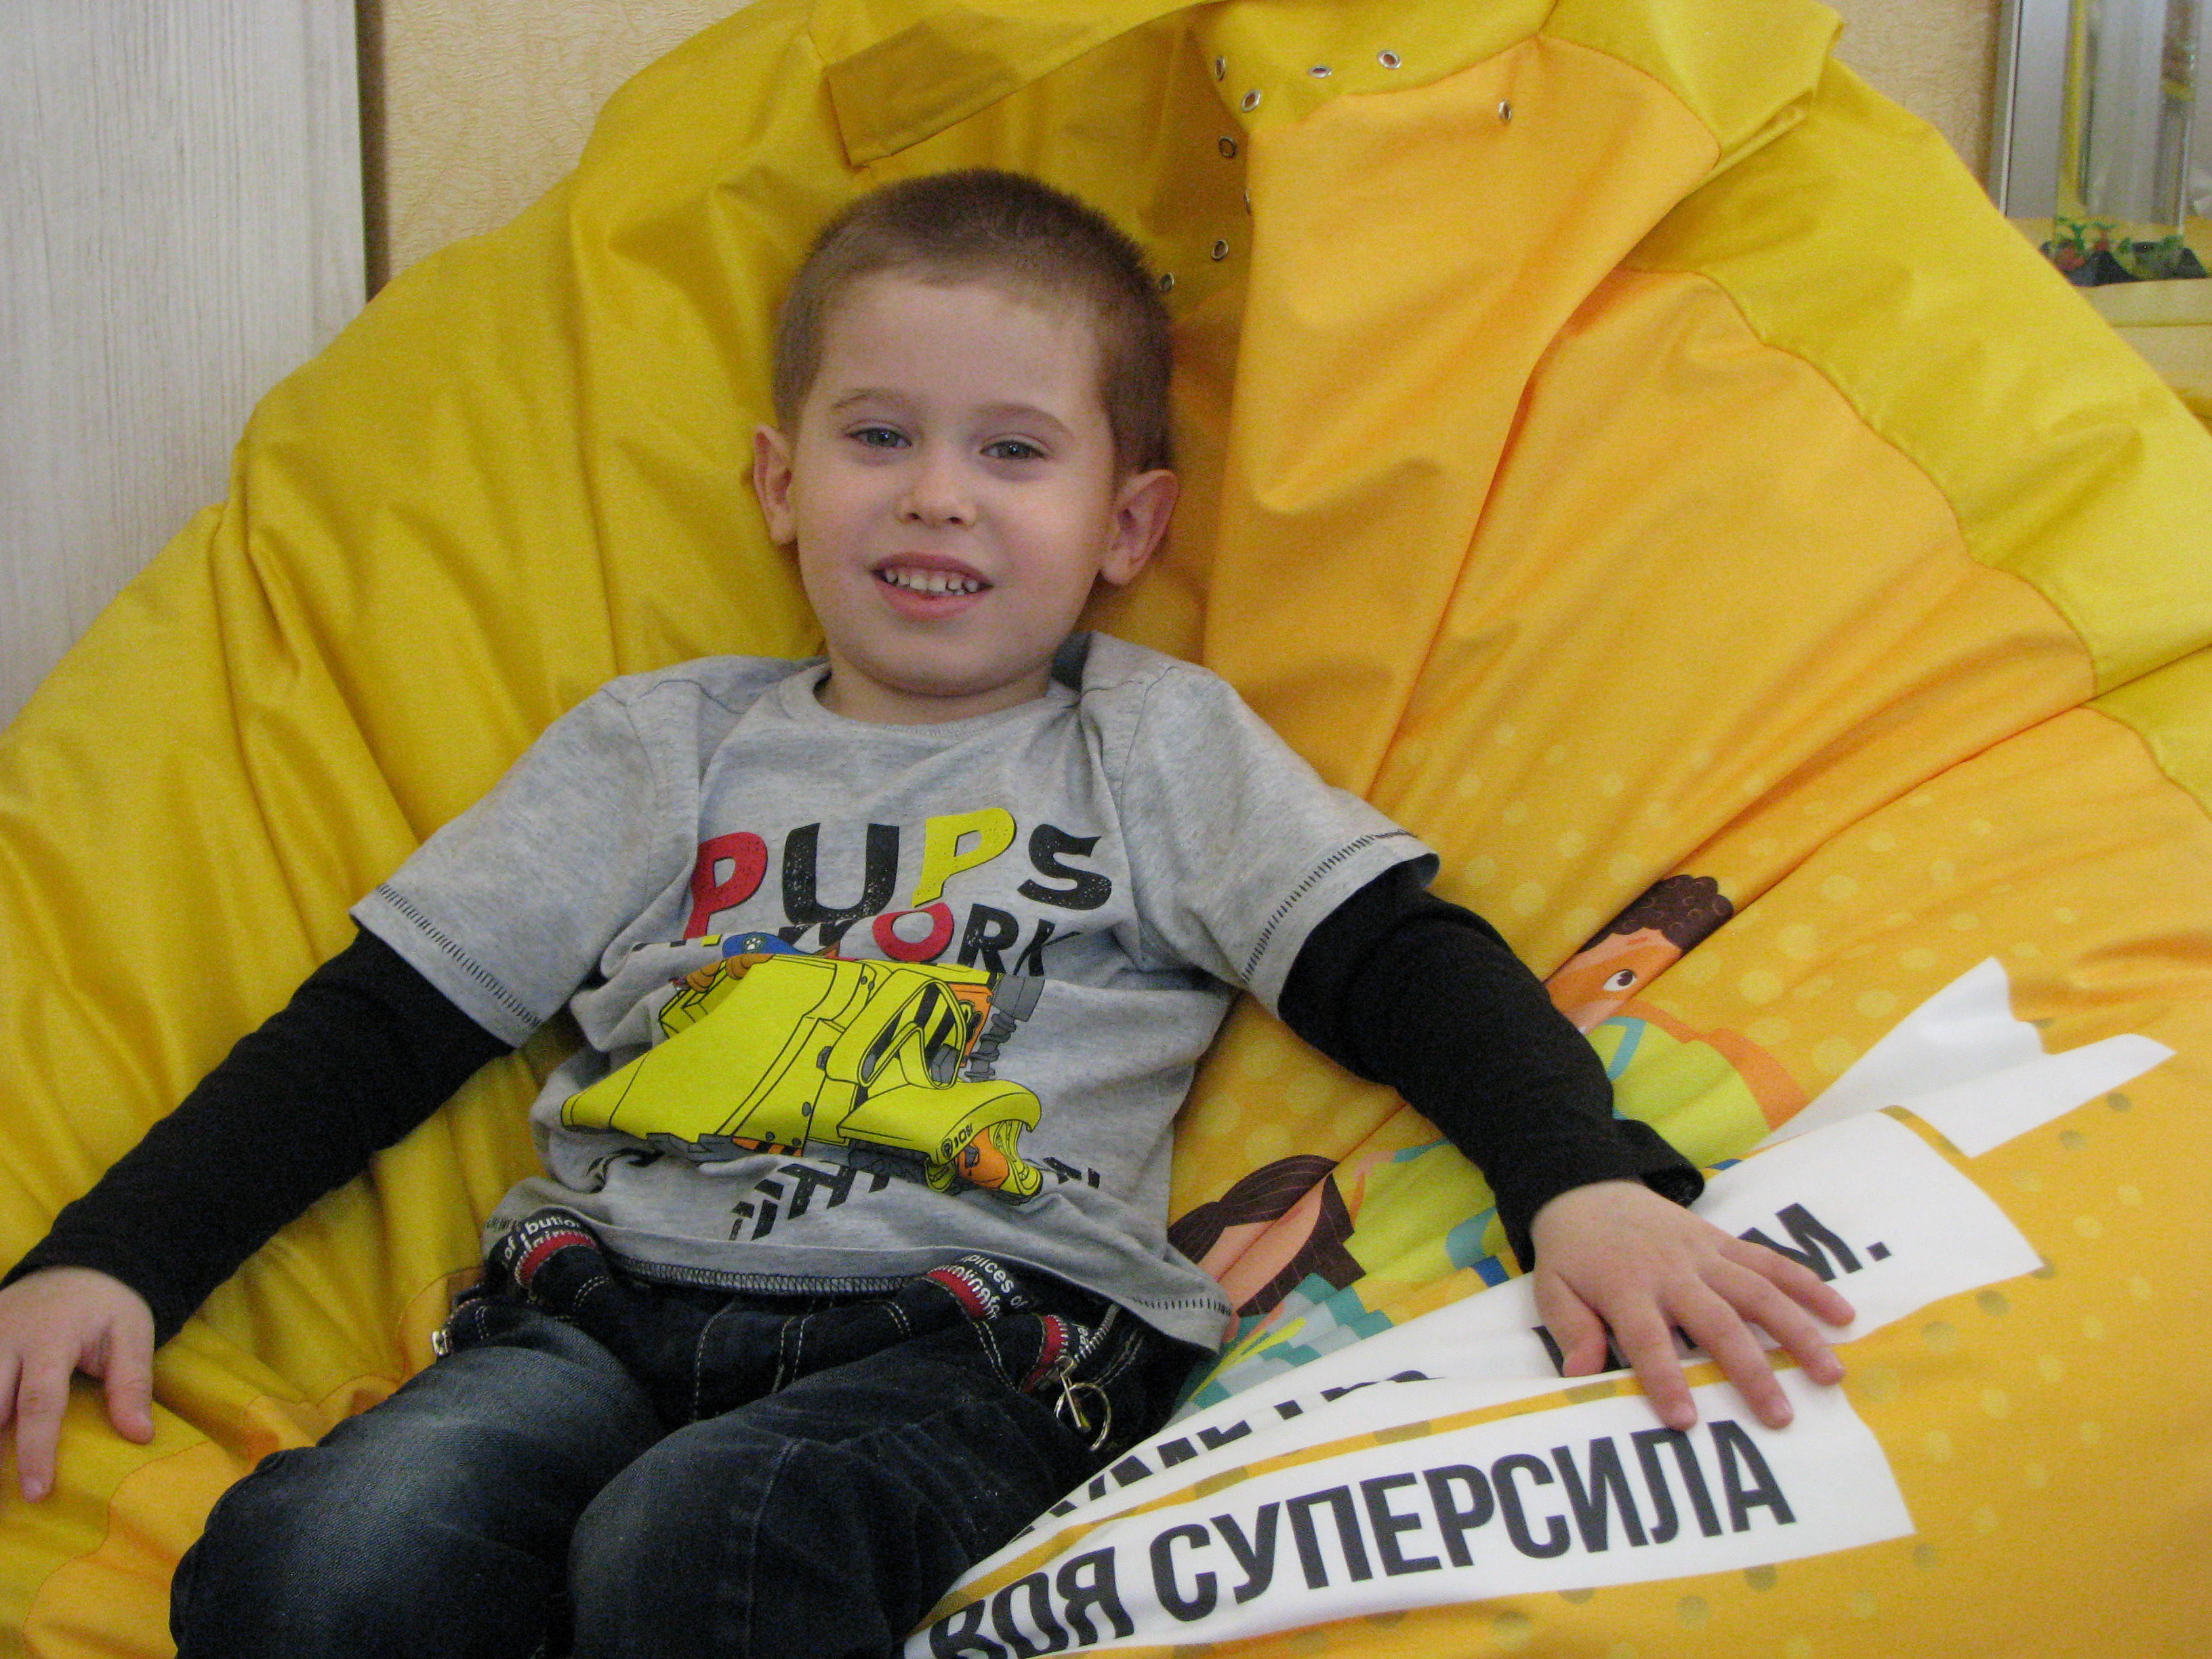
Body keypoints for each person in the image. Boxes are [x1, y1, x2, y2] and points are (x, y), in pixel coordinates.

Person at [0, 169, 1851, 1658]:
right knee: (333, 1550)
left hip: (977, 1336)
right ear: (780, 483)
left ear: (1129, 528)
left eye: (1014, 453)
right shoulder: (661, 746)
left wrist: (1579, 1183)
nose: (938, 496)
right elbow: (377, 1027)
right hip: (597, 1315)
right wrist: (119, 1258)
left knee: (706, 1536)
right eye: (878, 436)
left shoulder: (1150, 742)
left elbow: (1399, 960)